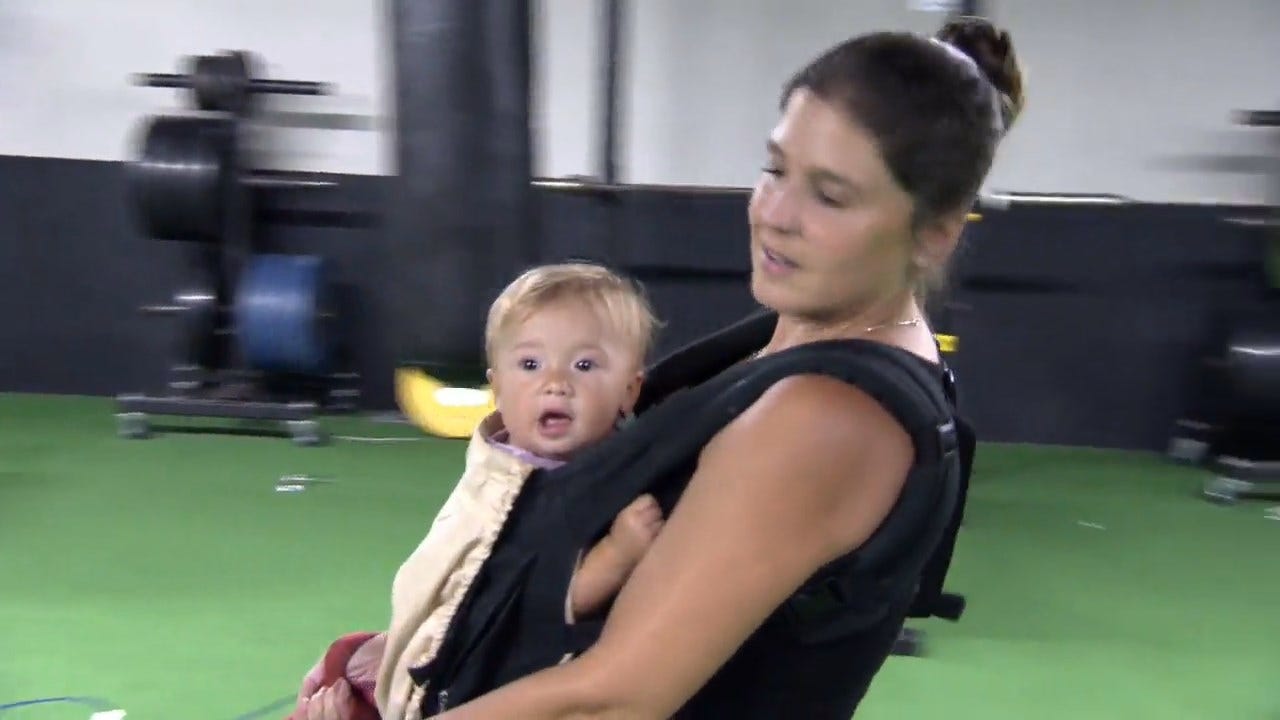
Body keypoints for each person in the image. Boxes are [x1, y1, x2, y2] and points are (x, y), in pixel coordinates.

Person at [403, 16, 1025, 719]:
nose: (775, 214)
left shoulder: (826, 417)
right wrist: (400, 659)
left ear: (935, 234)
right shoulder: (790, 344)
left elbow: (610, 701)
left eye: (830, 195)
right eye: (774, 169)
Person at [292, 263, 666, 720]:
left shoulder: (610, 477)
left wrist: (617, 554)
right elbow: (486, 581)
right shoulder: (499, 471)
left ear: (630, 389)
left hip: (490, 683)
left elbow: (539, 604)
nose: (555, 383)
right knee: (340, 669)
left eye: (584, 365)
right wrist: (620, 554)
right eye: (529, 365)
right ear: (498, 389)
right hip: (446, 660)